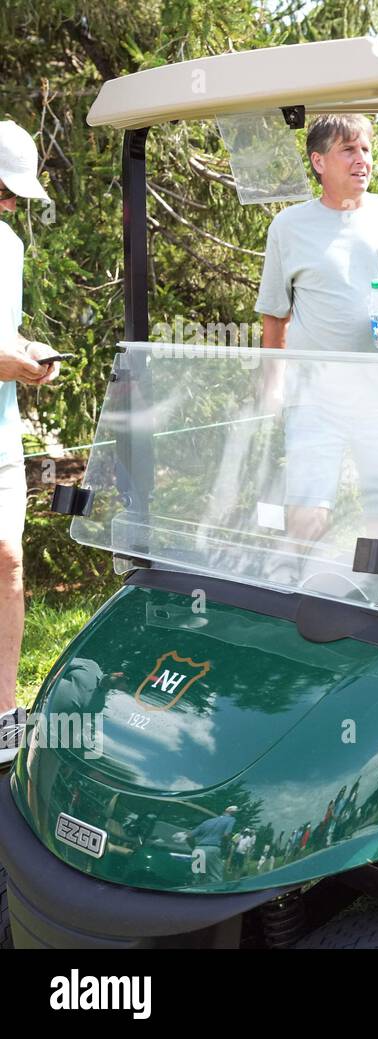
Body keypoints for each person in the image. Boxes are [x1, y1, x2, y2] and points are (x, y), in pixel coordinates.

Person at [255, 114, 378, 563]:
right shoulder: (289, 226)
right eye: (348, 150)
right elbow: (275, 319)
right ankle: (285, 592)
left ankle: (375, 605)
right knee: (309, 514)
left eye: (366, 150)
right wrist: (271, 386)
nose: (362, 160)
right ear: (318, 161)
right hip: (316, 397)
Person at [0, 120, 61, 769]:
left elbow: (6, 336)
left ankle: (3, 719)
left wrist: (33, 356)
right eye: (4, 189)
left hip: (2, 432)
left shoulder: (9, 246)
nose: (12, 202)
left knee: (9, 559)